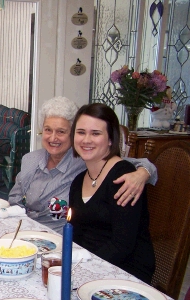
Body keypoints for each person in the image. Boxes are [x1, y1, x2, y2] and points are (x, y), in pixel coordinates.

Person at [8, 96, 157, 234]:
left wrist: (143, 173)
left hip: (59, 238)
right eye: (48, 130)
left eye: (61, 131)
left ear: (72, 134)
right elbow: (14, 200)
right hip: (27, 232)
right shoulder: (30, 160)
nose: (53, 138)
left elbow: (124, 163)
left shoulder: (84, 161)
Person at [69, 103, 155, 283]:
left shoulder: (124, 177)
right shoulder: (78, 181)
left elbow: (122, 245)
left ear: (110, 139)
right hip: (90, 265)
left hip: (125, 272)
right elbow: (77, 235)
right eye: (81, 132)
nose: (86, 140)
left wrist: (83, 271)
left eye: (96, 133)